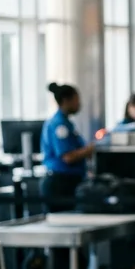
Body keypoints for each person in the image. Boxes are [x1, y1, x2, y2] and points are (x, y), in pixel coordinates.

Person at [41, 82, 95, 210]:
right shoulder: (59, 125)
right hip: (61, 184)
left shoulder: (66, 123)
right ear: (66, 100)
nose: (79, 104)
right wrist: (91, 149)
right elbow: (68, 157)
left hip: (69, 181)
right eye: (77, 100)